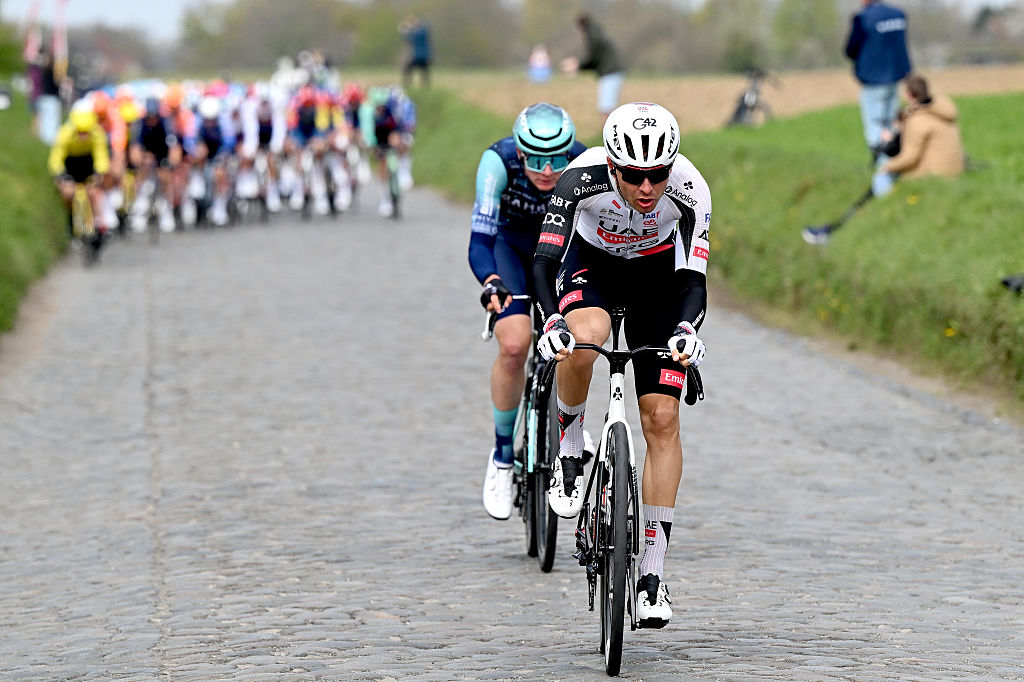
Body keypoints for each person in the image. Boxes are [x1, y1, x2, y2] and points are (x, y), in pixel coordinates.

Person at [531, 102, 711, 629]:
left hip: (659, 282)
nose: (648, 187)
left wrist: (686, 331)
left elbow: (694, 280)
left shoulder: (691, 187)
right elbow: (543, 263)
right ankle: (569, 444)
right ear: (612, 167)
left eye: (658, 174)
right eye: (634, 176)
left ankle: (652, 575)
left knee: (662, 419)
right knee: (584, 338)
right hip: (594, 270)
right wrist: (550, 324)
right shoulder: (578, 180)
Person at [468, 103, 589, 521]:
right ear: (518, 151)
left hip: (562, 252)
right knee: (516, 344)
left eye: (557, 157)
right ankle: (502, 457)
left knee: (581, 336)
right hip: (512, 252)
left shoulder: (584, 164)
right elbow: (481, 240)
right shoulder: (496, 162)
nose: (547, 169)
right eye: (535, 158)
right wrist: (491, 282)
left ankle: (571, 423)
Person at [802, 74, 964, 245]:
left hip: (934, 174)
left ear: (909, 95)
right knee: (884, 178)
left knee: (881, 179)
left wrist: (887, 164)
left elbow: (909, 158)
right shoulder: (941, 110)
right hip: (951, 170)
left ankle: (869, 219)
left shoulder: (919, 120)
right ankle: (841, 225)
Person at [844, 0, 911, 162]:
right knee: (890, 123)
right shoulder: (898, 15)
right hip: (895, 76)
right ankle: (894, 159)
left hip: (873, 79)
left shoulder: (863, 18)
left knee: (875, 124)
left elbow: (850, 49)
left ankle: (882, 166)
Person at [563, 14, 625, 123]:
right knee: (607, 107)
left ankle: (608, 135)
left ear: (580, 26)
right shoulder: (597, 32)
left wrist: (577, 66)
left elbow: (592, 59)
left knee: (606, 108)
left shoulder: (592, 36)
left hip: (610, 72)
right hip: (612, 71)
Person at [399, 15, 432, 89]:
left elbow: (407, 37)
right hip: (424, 56)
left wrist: (405, 29)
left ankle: (408, 86)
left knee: (408, 70)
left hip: (418, 56)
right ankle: (425, 87)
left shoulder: (418, 32)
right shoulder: (423, 30)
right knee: (424, 72)